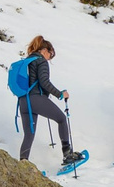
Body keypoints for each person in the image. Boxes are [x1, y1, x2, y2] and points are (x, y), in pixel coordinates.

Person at [12, 35, 84, 173]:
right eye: (51, 55)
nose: (50, 58)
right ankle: (67, 154)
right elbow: (44, 82)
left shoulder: (28, 60)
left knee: (29, 135)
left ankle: (22, 167)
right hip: (35, 99)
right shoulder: (41, 61)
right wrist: (60, 94)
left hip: (23, 102)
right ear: (45, 50)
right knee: (62, 119)